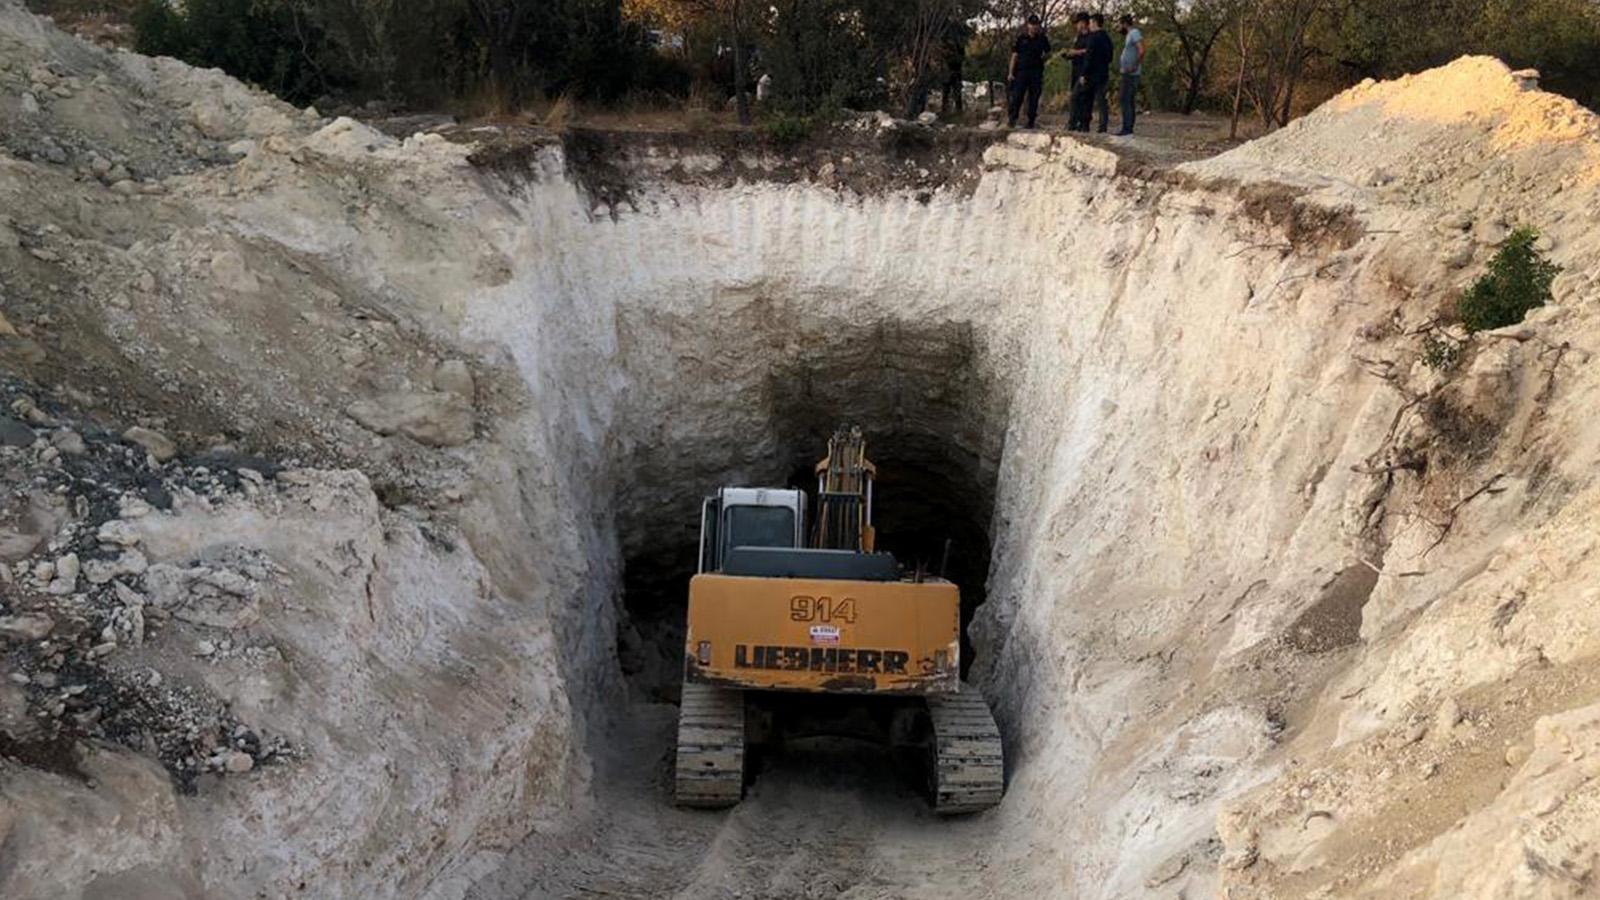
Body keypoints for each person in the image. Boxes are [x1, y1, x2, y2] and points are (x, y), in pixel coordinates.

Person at [1007, 15, 1050, 129]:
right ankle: (1012, 119)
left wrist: (1044, 61)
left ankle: (1031, 121)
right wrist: (1011, 73)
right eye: (1032, 24)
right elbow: (1014, 56)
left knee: (1034, 98)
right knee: (1017, 96)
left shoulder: (1042, 38)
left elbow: (1047, 53)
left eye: (1036, 24)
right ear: (1028, 25)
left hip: (1036, 72)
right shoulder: (1021, 38)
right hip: (1021, 72)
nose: (1034, 27)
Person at [1115, 15, 1145, 135]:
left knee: (1125, 99)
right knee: (1127, 99)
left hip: (1131, 73)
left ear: (1124, 24)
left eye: (1119, 24)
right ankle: (1127, 127)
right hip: (1127, 72)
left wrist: (1134, 66)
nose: (1118, 27)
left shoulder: (1134, 33)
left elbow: (1142, 50)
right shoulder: (1129, 35)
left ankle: (1127, 128)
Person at [1085, 14, 1114, 133]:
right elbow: (1110, 56)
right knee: (1102, 100)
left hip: (1092, 73)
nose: (1089, 25)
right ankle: (1103, 126)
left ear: (1095, 23)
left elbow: (1089, 56)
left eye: (1091, 23)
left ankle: (1083, 123)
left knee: (1082, 96)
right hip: (1103, 72)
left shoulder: (1093, 37)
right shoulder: (1107, 37)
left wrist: (1084, 73)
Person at [1064, 13, 1092, 131]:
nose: (1077, 26)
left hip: (1085, 71)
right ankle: (1077, 123)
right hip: (1076, 70)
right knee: (1076, 97)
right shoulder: (1079, 37)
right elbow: (1075, 51)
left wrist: (1076, 52)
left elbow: (1090, 51)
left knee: (1079, 97)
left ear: (1085, 23)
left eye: (1079, 23)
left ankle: (1079, 123)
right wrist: (1068, 54)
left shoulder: (1091, 37)